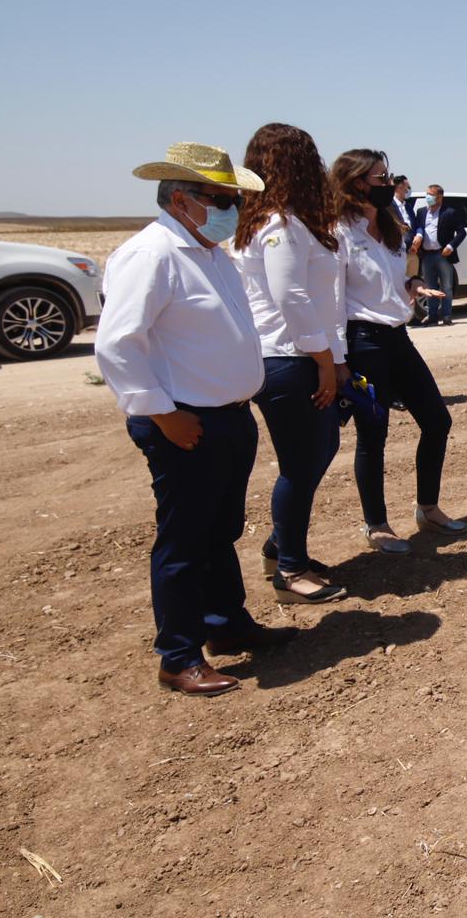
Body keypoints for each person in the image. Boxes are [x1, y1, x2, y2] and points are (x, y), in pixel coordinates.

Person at [96, 142, 294, 696]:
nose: (233, 209)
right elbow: (117, 344)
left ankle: (226, 624)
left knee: (219, 531)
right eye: (222, 199)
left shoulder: (211, 255)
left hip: (228, 417)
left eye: (235, 199)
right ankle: (178, 655)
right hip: (185, 424)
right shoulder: (152, 254)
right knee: (184, 541)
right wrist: (162, 415)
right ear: (181, 200)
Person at [234, 123, 349, 604]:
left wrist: (333, 358)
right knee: (301, 465)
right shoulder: (280, 225)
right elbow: (291, 296)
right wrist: (324, 360)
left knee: (319, 451)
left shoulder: (278, 221)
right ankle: (290, 571)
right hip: (290, 357)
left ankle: (280, 547)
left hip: (298, 355)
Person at [331, 149, 465, 554]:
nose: (389, 184)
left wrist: (413, 285)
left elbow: (400, 275)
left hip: (397, 338)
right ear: (356, 182)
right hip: (362, 342)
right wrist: (337, 361)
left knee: (437, 421)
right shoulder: (337, 233)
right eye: (380, 178)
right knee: (373, 435)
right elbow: (332, 301)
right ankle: (377, 525)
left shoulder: (390, 227)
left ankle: (428, 509)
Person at [408, 184, 467, 325]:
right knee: (430, 287)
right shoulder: (421, 212)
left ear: (439, 197)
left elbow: (462, 232)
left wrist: (451, 246)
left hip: (443, 255)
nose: (427, 197)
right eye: (427, 194)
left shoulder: (449, 212)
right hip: (426, 255)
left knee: (446, 286)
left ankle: (446, 315)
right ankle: (432, 315)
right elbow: (419, 228)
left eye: (431, 195)